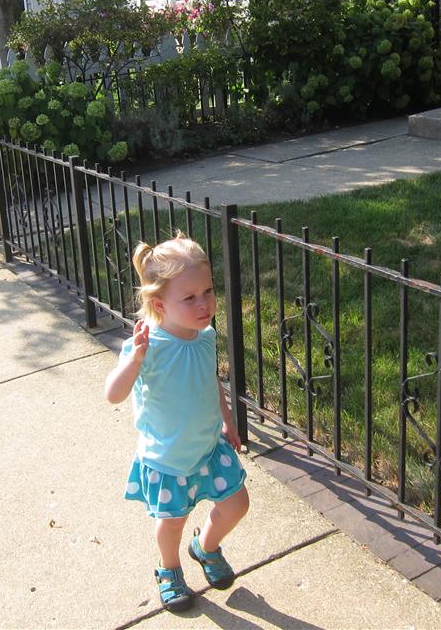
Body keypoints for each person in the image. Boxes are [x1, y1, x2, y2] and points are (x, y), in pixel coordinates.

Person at [104, 233, 249, 613]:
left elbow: (209, 380)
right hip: (167, 459)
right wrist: (134, 361)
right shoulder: (147, 346)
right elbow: (113, 394)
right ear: (159, 304)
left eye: (208, 291)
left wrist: (228, 420)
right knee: (172, 522)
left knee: (237, 504)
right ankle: (168, 569)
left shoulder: (205, 336)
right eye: (190, 298)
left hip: (208, 448)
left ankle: (206, 547)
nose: (204, 303)